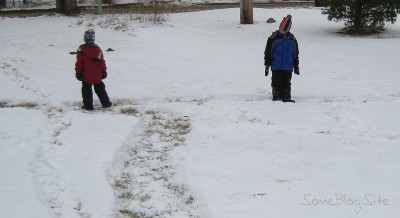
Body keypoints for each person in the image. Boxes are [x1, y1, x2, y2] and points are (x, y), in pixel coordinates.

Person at [264, 15, 300, 103]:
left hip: (288, 65)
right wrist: (267, 65)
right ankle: (276, 96)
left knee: (287, 82)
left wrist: (296, 66)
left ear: (288, 29)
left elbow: (295, 54)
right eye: (282, 29)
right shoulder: (273, 39)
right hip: (276, 65)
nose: (283, 31)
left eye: (285, 30)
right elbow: (268, 52)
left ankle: (286, 96)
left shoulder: (292, 40)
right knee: (276, 81)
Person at [75, 29, 112, 110]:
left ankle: (88, 106)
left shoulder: (81, 50)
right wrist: (104, 71)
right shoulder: (98, 49)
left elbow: (79, 63)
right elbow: (102, 62)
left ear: (85, 38)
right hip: (97, 75)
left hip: (86, 75)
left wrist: (78, 73)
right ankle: (106, 103)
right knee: (100, 89)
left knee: (86, 91)